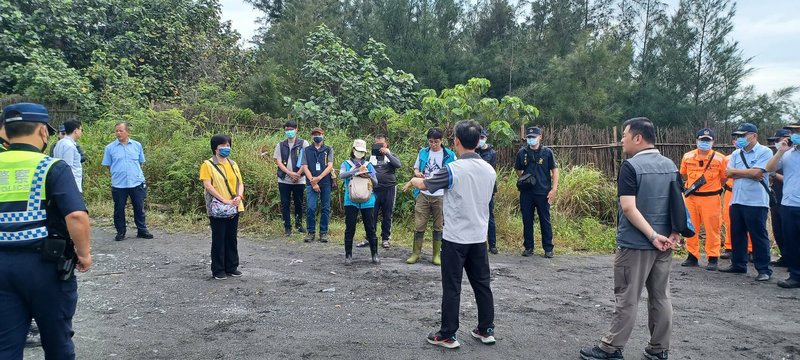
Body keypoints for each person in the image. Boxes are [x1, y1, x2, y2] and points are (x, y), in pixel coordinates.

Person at [580, 117, 680, 360]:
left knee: (627, 297)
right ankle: (659, 349)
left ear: (638, 138)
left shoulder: (630, 167)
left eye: (624, 135)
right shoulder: (671, 165)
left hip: (637, 244)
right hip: (665, 244)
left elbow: (628, 208)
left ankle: (611, 348)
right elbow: (678, 203)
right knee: (661, 296)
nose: (621, 140)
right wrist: (672, 235)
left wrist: (652, 235)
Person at [0, 103, 92, 359]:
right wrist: (84, 254)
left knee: (5, 345)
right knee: (56, 342)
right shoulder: (51, 167)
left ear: (5, 132)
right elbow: (75, 215)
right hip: (44, 266)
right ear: (43, 131)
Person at [403, 120, 497, 349]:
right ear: (478, 142)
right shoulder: (489, 169)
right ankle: (486, 329)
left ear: (456, 141)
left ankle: (447, 334)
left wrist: (415, 180)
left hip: (455, 239)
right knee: (482, 285)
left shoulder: (454, 169)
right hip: (478, 237)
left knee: (452, 287)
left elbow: (426, 185)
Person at [720, 123, 773, 281]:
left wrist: (743, 172)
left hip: (756, 201)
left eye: (744, 136)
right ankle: (738, 264)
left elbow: (758, 172)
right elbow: (729, 173)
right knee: (737, 234)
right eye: (739, 136)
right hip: (737, 200)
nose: (740, 139)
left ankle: (764, 269)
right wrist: (750, 173)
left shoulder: (765, 152)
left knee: (758, 235)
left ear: (754, 136)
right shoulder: (737, 153)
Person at [679, 128, 726, 270]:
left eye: (708, 141)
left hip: (711, 198)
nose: (704, 143)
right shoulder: (687, 156)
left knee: (713, 229)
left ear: (713, 142)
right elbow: (684, 175)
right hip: (691, 198)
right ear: (696, 141)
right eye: (702, 140)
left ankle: (713, 257)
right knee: (691, 227)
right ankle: (692, 256)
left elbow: (723, 178)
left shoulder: (720, 158)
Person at [408, 128, 456, 265]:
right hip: (423, 193)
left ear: (442, 140)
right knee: (419, 224)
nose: (433, 144)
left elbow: (453, 173)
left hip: (441, 195)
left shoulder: (449, 155)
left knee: (438, 225)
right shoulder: (423, 152)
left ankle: (436, 255)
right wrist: (417, 174)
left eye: (436, 141)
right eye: (430, 141)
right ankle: (415, 253)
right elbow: (416, 168)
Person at [199, 134, 244, 280]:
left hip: (233, 206)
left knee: (231, 237)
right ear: (215, 148)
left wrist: (239, 196)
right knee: (219, 237)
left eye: (228, 145)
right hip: (218, 207)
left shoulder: (233, 164)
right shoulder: (207, 165)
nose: (226, 148)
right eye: (223, 146)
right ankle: (218, 269)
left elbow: (240, 183)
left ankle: (232, 266)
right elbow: (208, 185)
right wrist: (224, 199)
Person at [102, 122, 153, 241]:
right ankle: (121, 231)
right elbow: (108, 165)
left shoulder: (137, 145)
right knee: (119, 209)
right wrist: (118, 172)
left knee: (139, 207)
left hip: (136, 182)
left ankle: (142, 230)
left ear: (128, 132)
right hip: (119, 183)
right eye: (116, 131)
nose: (118, 133)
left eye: (121, 131)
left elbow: (140, 162)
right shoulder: (110, 148)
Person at [515, 126, 559, 258]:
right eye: (529, 137)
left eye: (533, 137)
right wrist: (525, 180)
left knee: (544, 220)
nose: (531, 139)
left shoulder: (547, 153)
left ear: (540, 136)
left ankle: (548, 248)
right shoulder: (522, 153)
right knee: (527, 220)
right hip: (527, 193)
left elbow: (554, 170)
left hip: (543, 191)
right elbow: (518, 169)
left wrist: (554, 189)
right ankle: (528, 247)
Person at [766, 120, 800, 288]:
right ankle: (795, 275)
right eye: (793, 132)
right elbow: (769, 168)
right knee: (791, 241)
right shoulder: (787, 154)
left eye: (798, 131)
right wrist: (779, 152)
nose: (795, 135)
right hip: (788, 204)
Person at [357, 134, 401, 249]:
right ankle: (369, 237)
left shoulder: (391, 155)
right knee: (371, 214)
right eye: (376, 144)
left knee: (388, 214)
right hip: (374, 189)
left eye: (381, 144)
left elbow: (398, 165)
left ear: (386, 144)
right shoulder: (369, 158)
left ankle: (385, 238)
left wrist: (387, 153)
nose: (378, 146)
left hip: (389, 188)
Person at [340, 139, 379, 265]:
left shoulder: (368, 165)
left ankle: (375, 254)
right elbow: (342, 175)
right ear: (353, 150)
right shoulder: (346, 163)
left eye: (362, 151)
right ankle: (348, 255)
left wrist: (368, 175)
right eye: (358, 151)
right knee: (350, 228)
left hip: (368, 200)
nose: (360, 153)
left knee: (370, 228)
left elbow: (376, 182)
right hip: (350, 200)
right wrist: (356, 171)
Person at [273, 119, 308, 236]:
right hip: (284, 179)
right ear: (284, 131)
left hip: (300, 179)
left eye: (291, 129)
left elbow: (305, 161)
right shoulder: (280, 145)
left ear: (296, 130)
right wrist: (290, 173)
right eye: (287, 130)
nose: (289, 132)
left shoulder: (303, 143)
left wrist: (297, 174)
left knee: (299, 203)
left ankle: (299, 225)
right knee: (285, 203)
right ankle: (287, 227)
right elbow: (278, 162)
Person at [721, 134, 752, 259]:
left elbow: (755, 173)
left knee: (749, 221)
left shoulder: (752, 157)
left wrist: (736, 173)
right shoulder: (727, 158)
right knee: (729, 221)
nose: (738, 141)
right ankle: (729, 247)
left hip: (746, 191)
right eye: (736, 139)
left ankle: (750, 249)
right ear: (733, 142)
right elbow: (725, 175)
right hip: (730, 191)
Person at [300, 127, 334, 243]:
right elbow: (304, 167)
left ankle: (323, 233)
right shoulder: (307, 150)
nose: (317, 136)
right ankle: (311, 232)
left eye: (319, 134)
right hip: (311, 183)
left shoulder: (328, 149)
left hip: (325, 182)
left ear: (323, 135)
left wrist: (319, 178)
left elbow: (329, 166)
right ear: (311, 136)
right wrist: (313, 181)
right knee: (310, 208)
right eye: (314, 134)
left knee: (325, 208)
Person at [767, 129, 790, 266]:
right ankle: (784, 256)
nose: (776, 143)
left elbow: (792, 179)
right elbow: (769, 168)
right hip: (777, 196)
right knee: (778, 229)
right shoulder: (780, 156)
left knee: (789, 231)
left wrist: (775, 175)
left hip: (790, 197)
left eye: (777, 140)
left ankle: (793, 260)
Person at [476, 129, 498, 254]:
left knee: (489, 216)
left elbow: (492, 171)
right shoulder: (473, 151)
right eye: (478, 137)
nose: (480, 140)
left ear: (486, 138)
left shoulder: (492, 153)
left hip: (488, 189)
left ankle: (493, 244)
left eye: (482, 137)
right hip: (474, 188)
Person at [52, 119, 84, 192]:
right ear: (76, 130)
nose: (81, 132)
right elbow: (67, 167)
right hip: (71, 186)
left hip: (63, 184)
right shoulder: (69, 146)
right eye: (81, 130)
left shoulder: (59, 143)